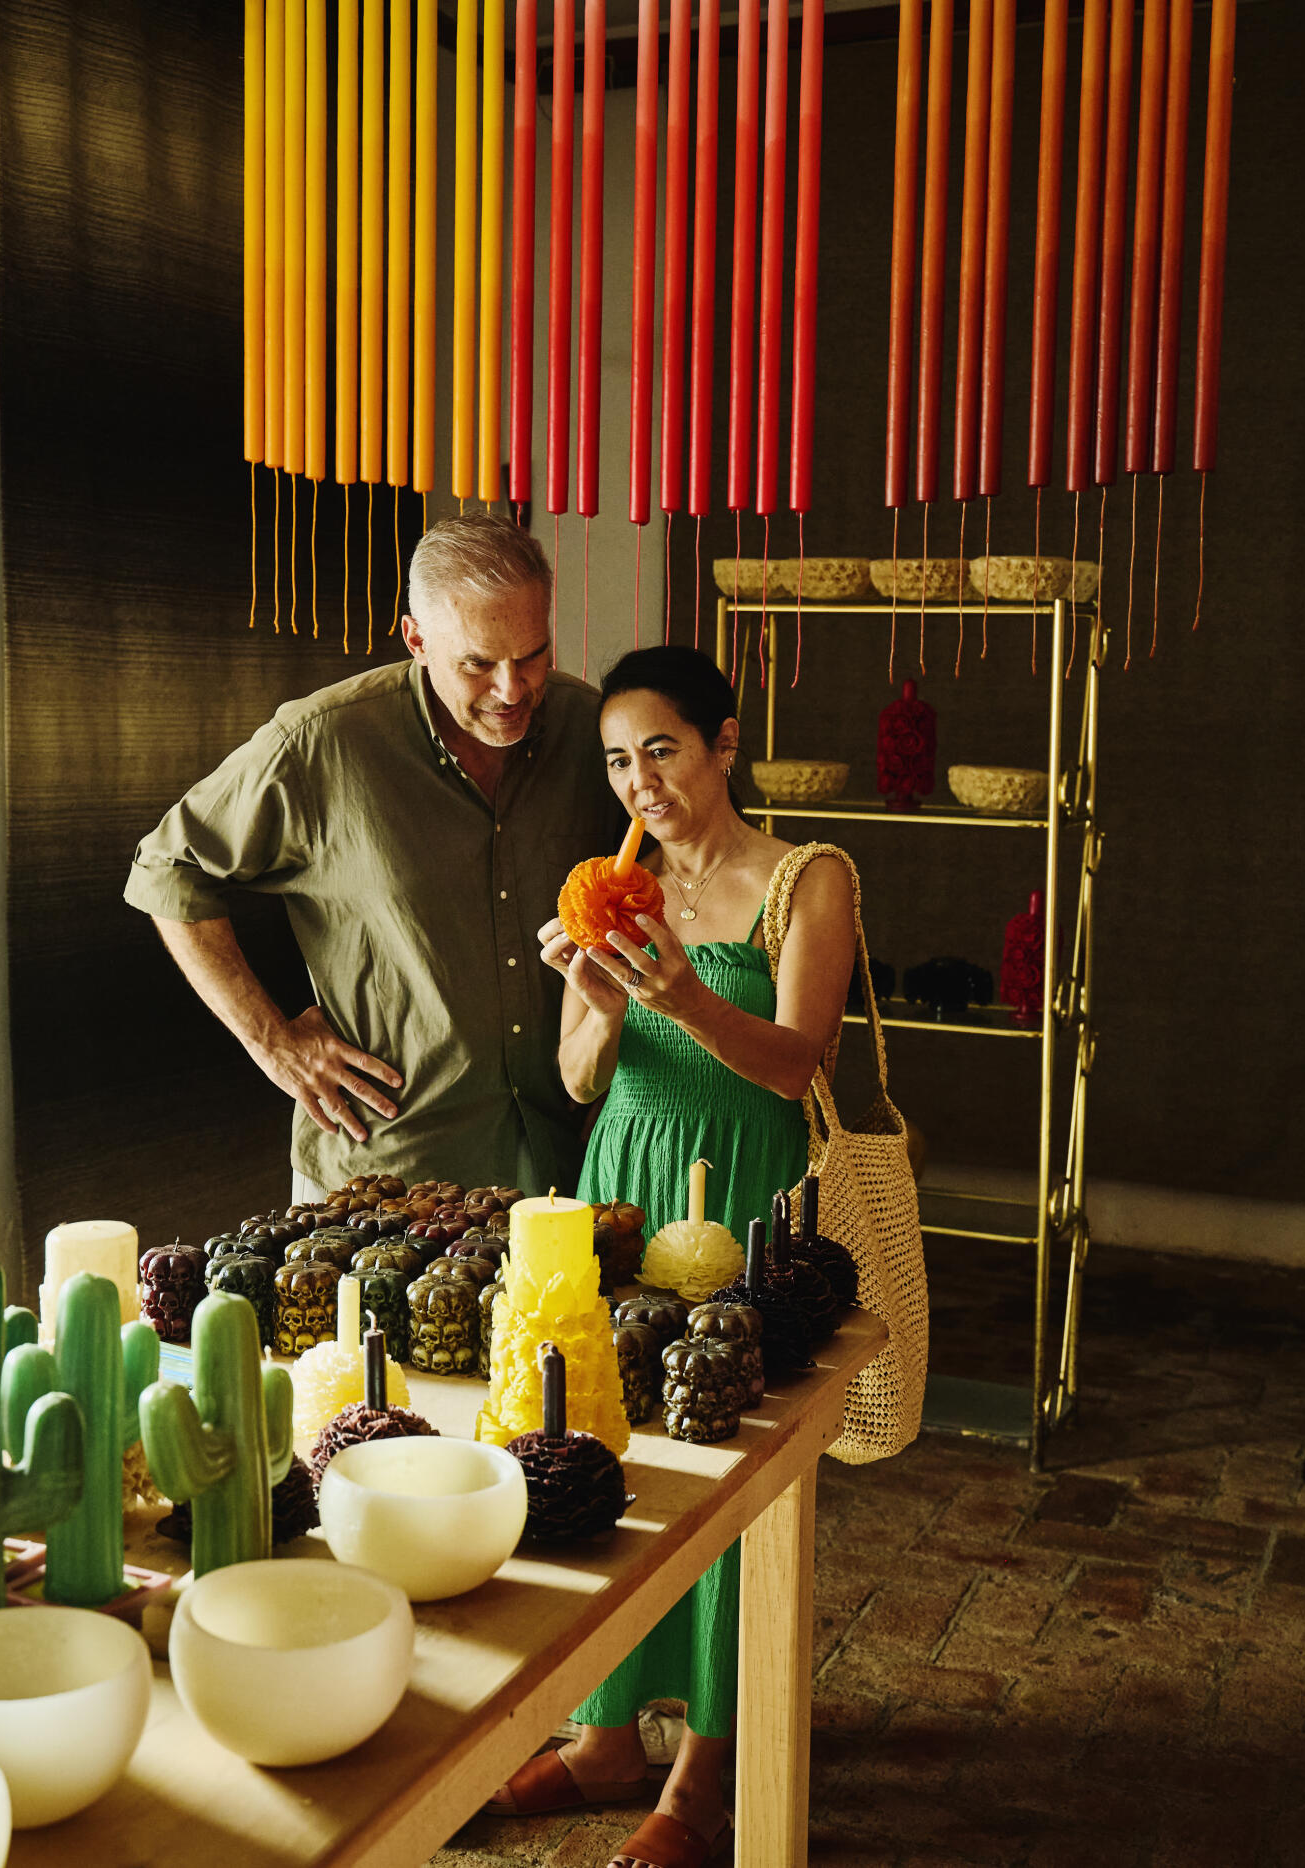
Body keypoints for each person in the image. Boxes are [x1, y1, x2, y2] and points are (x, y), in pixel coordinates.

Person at [490, 644, 859, 1868]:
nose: (638, 780)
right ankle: (604, 1735)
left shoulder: (806, 877)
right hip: (623, 1187)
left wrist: (691, 996)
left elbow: (798, 1062)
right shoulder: (609, 880)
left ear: (725, 745)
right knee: (602, 1438)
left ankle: (703, 1765)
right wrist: (593, 993)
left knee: (726, 1468)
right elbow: (578, 1077)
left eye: (661, 749)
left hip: (746, 1191)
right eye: (615, 759)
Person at [125, 515, 619, 1199]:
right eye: (477, 664)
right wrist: (271, 1041)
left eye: (533, 655)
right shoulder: (322, 741)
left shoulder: (590, 729)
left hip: (569, 1162)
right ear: (417, 639)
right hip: (385, 1176)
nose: (513, 690)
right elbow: (166, 869)